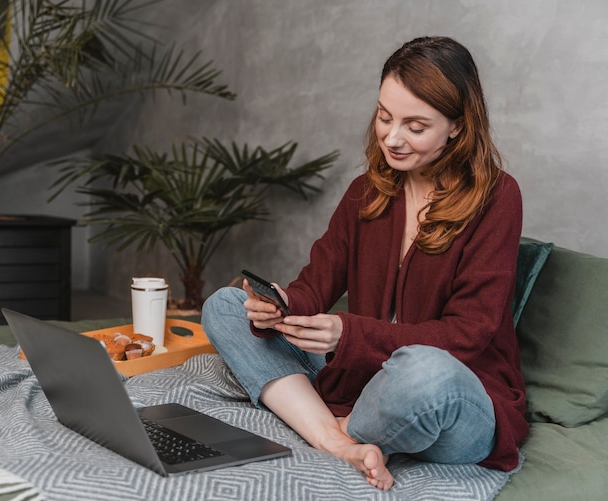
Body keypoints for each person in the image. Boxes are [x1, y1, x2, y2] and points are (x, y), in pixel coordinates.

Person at [201, 36, 528, 491]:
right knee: (224, 305)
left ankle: (340, 430)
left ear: (457, 125)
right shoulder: (368, 190)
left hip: (455, 395)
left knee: (423, 369)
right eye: (385, 116)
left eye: (415, 126)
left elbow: (469, 334)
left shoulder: (497, 197)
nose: (392, 138)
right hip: (364, 378)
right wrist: (281, 305)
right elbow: (317, 282)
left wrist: (348, 334)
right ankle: (335, 442)